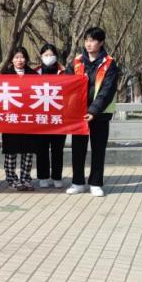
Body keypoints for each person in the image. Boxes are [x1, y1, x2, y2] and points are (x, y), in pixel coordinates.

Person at [66, 27, 119, 197]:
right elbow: (66, 84)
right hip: (79, 114)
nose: (88, 44)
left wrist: (94, 111)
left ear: (101, 42)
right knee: (77, 149)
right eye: (86, 40)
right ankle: (78, 182)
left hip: (100, 114)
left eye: (93, 40)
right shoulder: (76, 62)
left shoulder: (109, 63)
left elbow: (107, 90)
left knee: (98, 149)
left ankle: (95, 183)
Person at [1, 47, 37, 191]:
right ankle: (12, 179)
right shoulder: (5, 75)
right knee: (11, 150)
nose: (19, 60)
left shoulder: (34, 75)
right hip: (11, 118)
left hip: (28, 118)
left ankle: (25, 178)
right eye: (16, 57)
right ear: (11, 59)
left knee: (28, 150)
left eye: (22, 57)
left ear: (26, 59)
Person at [35, 44, 66, 189]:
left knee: (57, 149)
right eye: (45, 55)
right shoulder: (35, 72)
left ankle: (57, 176)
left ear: (56, 56)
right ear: (41, 56)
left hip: (58, 117)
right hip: (40, 117)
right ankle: (43, 177)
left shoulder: (64, 72)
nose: (48, 58)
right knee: (41, 149)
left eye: (51, 55)